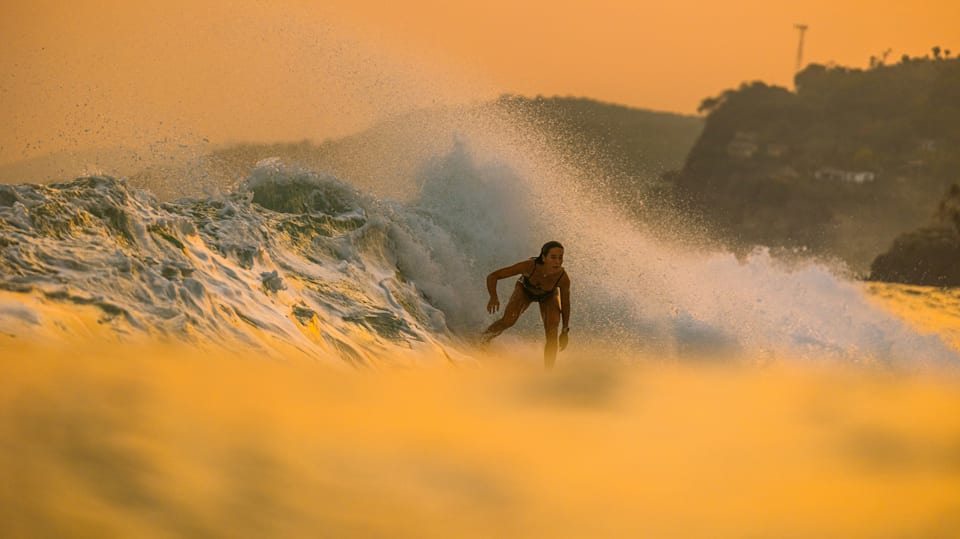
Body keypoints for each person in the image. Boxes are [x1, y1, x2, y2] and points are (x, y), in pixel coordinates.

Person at [482, 241, 571, 368]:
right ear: (544, 257)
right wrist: (493, 297)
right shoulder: (529, 266)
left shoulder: (562, 278)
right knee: (508, 321)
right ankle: (482, 340)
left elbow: (566, 304)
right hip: (525, 290)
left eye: (560, 257)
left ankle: (548, 374)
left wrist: (565, 330)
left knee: (552, 333)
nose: (558, 262)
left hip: (548, 296)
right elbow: (493, 276)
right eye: (553, 257)